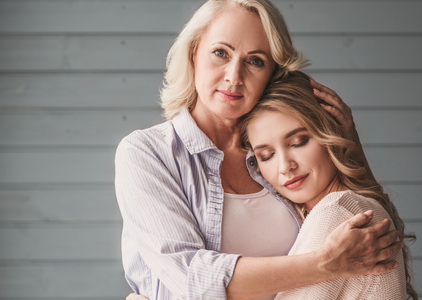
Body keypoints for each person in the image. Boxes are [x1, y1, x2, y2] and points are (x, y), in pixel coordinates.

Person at [115, 0, 403, 299]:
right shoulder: (148, 153)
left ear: (273, 73)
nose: (234, 76)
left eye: (255, 61)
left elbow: (369, 232)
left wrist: (348, 148)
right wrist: (325, 264)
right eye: (220, 53)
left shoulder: (279, 155)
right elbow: (190, 277)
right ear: (193, 54)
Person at [240, 71, 418, 299]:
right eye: (266, 156)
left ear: (330, 133)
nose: (285, 166)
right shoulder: (354, 205)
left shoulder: (335, 211)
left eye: (298, 142)